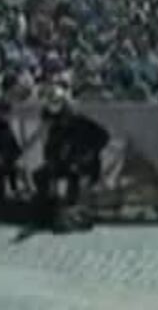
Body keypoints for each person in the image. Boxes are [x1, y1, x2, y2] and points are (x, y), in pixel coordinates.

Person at [32, 96, 109, 225]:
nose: (59, 121)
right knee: (40, 175)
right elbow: (49, 150)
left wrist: (90, 153)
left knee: (75, 177)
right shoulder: (56, 128)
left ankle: (72, 211)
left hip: (85, 164)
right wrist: (51, 161)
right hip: (64, 164)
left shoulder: (82, 122)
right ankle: (49, 208)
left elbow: (104, 136)